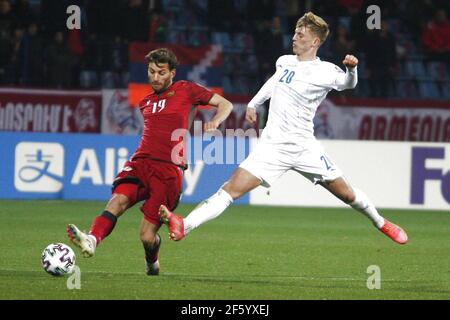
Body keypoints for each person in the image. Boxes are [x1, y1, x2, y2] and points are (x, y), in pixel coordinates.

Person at [160, 12, 408, 245]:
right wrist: (254, 103)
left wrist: (352, 69)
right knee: (230, 190)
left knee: (348, 195)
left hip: (304, 148)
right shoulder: (285, 62)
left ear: (315, 42)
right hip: (272, 147)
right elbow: (273, 83)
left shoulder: (324, 70)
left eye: (301, 34)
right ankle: (185, 225)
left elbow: (347, 84)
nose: (294, 37)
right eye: (295, 32)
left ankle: (381, 222)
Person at [67, 48, 233, 275]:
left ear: (172, 73)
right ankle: (92, 239)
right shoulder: (145, 102)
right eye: (151, 71)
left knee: (146, 236)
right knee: (117, 201)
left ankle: (152, 263)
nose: (155, 77)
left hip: (168, 169)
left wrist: (215, 120)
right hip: (141, 162)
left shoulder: (186, 90)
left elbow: (226, 104)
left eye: (161, 72)